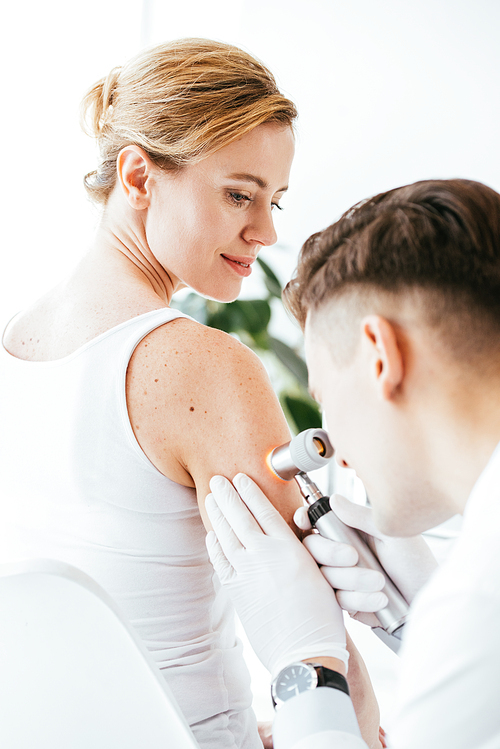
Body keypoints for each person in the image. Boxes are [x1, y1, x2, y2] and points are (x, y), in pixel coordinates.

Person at [0, 38, 308, 749]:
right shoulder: (203, 366)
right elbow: (311, 640)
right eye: (240, 194)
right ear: (138, 177)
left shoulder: (15, 340)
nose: (264, 231)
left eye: (276, 201)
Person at [206, 178, 500, 748]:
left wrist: (307, 673)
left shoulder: (477, 607)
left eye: (325, 397)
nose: (331, 439)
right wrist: (418, 624)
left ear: (378, 354)